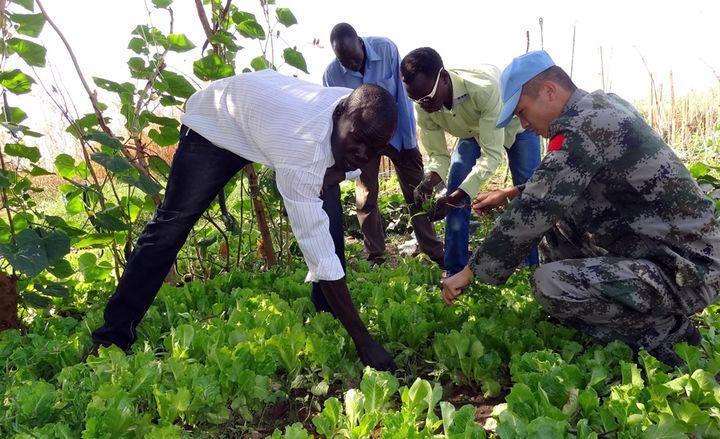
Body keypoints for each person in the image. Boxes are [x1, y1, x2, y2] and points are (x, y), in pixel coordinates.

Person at [90, 69, 398, 371]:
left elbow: (356, 156)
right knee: (170, 227)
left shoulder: (358, 114)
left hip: (263, 112)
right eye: (357, 140)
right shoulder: (301, 150)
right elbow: (316, 249)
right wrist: (364, 340)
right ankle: (111, 337)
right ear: (339, 113)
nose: (363, 153)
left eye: (374, 148)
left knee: (327, 206)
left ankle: (328, 312)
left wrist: (337, 171)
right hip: (216, 122)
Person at [442, 50, 720, 366]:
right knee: (560, 226)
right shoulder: (600, 106)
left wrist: (470, 270)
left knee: (549, 283)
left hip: (688, 270)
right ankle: (612, 311)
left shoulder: (581, 130)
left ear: (549, 91)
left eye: (522, 112)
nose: (525, 124)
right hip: (682, 250)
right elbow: (562, 183)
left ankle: (670, 336)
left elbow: (535, 208)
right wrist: (512, 193)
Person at [400, 47, 541, 277]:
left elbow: (492, 154)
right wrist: (430, 180)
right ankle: (455, 271)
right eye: (415, 99)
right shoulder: (423, 105)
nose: (423, 105)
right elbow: (438, 156)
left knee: (528, 193)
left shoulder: (484, 89)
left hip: (517, 127)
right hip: (473, 132)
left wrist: (460, 195)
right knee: (455, 189)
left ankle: (532, 270)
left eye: (426, 97)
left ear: (444, 78)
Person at [323, 23, 444, 267]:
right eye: (345, 61)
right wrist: (343, 157)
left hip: (398, 134)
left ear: (360, 42)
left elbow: (402, 96)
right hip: (363, 144)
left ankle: (433, 250)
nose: (351, 65)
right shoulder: (331, 74)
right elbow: (336, 117)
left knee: (417, 191)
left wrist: (410, 143)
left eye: (354, 58)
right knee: (365, 196)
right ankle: (375, 255)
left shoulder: (386, 49)